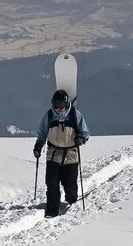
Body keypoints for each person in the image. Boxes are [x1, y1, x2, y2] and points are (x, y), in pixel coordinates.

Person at [33, 89, 90, 218]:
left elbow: (85, 133)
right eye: (55, 105)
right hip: (54, 154)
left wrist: (81, 139)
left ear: (66, 104)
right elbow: (42, 133)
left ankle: (71, 205)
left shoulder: (75, 115)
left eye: (60, 106)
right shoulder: (48, 116)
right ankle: (51, 211)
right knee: (51, 183)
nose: (58, 109)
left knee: (69, 185)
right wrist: (38, 146)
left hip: (71, 154)